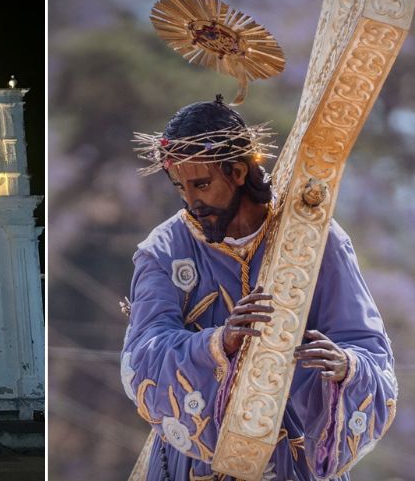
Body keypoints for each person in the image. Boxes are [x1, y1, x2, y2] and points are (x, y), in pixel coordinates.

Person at [121, 98, 398, 479]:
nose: (191, 202)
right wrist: (219, 343)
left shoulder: (318, 240)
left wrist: (346, 368)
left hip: (294, 459)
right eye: (181, 187)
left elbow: (368, 348)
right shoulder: (164, 250)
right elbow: (142, 353)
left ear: (236, 171)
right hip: (198, 465)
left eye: (201, 184)